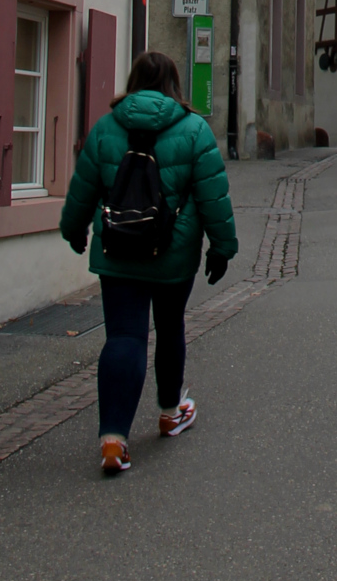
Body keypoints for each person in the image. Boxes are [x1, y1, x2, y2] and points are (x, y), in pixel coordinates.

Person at [61, 49, 238, 476]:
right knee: (170, 325)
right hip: (172, 250)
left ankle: (113, 440)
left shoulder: (106, 128)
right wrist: (222, 247)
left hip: (118, 248)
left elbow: (84, 186)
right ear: (174, 85)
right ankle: (169, 410)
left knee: (124, 336)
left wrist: (74, 228)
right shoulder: (194, 129)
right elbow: (213, 196)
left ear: (134, 81)